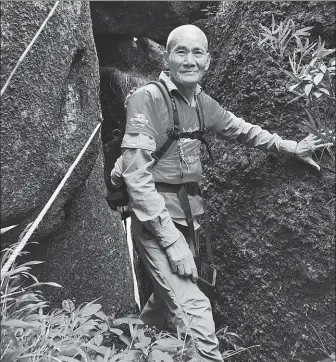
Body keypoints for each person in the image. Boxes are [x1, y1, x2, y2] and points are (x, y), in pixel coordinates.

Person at [110, 24, 331, 362]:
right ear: (165, 58)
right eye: (180, 52)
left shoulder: (202, 104)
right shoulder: (148, 98)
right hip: (155, 223)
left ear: (208, 61)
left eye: (197, 52)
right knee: (195, 309)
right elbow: (136, 176)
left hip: (188, 217)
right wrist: (172, 242)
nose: (189, 60)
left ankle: (129, 351)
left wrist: (290, 147)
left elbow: (241, 130)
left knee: (163, 297)